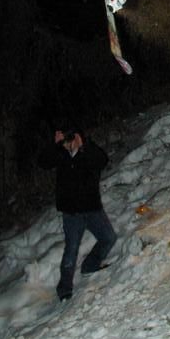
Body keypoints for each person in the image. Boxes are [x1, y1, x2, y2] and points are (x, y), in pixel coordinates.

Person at [38, 127, 117, 301]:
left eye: (71, 139)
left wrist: (84, 146)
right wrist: (56, 146)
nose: (69, 143)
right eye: (66, 140)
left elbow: (102, 160)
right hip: (72, 213)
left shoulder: (87, 151)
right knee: (71, 249)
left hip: (92, 209)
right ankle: (64, 289)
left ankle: (90, 265)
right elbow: (43, 162)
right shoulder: (61, 155)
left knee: (109, 238)